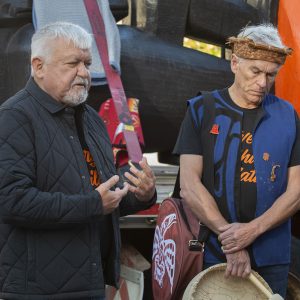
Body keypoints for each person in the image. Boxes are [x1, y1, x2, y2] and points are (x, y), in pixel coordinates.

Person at [0, 22, 156, 300]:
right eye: (73, 63)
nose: (84, 73)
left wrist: (141, 194)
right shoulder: (14, 117)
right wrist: (93, 204)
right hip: (38, 290)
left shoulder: (91, 119)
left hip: (92, 283)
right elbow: (12, 201)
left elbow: (104, 194)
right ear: (38, 66)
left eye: (87, 63)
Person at [174, 23, 300, 297]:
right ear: (235, 63)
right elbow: (189, 186)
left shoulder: (287, 115)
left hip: (272, 257)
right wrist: (232, 241)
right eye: (255, 71)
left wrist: (252, 231)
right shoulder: (202, 110)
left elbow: (296, 192)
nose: (263, 83)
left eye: (271, 75)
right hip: (214, 253)